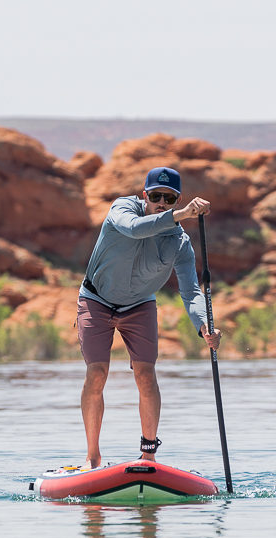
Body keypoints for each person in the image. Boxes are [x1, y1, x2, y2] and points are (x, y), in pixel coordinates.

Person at [78, 166, 222, 469]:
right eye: (156, 196)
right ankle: (93, 456)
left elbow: (191, 292)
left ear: (176, 199)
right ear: (145, 195)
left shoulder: (180, 244)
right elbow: (135, 229)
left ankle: (148, 454)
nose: (161, 202)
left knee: (145, 374)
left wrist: (204, 325)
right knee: (97, 373)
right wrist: (180, 213)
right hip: (96, 299)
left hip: (139, 305)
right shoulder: (122, 208)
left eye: (169, 199)